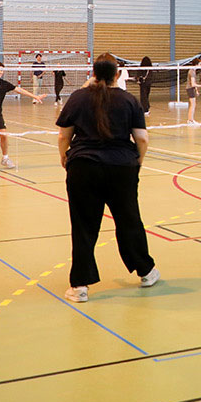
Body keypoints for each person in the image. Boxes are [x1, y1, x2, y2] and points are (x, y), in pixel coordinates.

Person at [57, 53, 159, 302]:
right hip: (122, 168)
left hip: (83, 167)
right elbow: (142, 138)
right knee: (129, 219)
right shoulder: (128, 100)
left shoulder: (78, 98)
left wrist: (64, 157)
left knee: (83, 225)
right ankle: (146, 272)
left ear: (93, 73)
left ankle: (80, 286)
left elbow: (63, 136)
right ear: (117, 75)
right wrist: (138, 162)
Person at [0, 60, 45, 171]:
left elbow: (18, 90)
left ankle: (5, 158)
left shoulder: (3, 84)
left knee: (4, 135)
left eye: (1, 70)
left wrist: (35, 96)